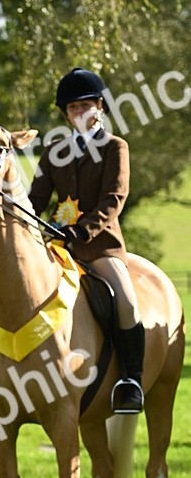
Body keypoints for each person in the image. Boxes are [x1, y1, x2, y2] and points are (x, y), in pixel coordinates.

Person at [28, 66, 144, 414]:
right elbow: (36, 199)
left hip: (99, 245)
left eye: (85, 105)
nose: (79, 112)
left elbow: (114, 198)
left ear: (100, 106)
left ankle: (131, 381)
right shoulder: (54, 150)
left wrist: (82, 230)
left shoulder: (115, 147)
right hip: (57, 247)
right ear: (66, 114)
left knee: (126, 301)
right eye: (73, 107)